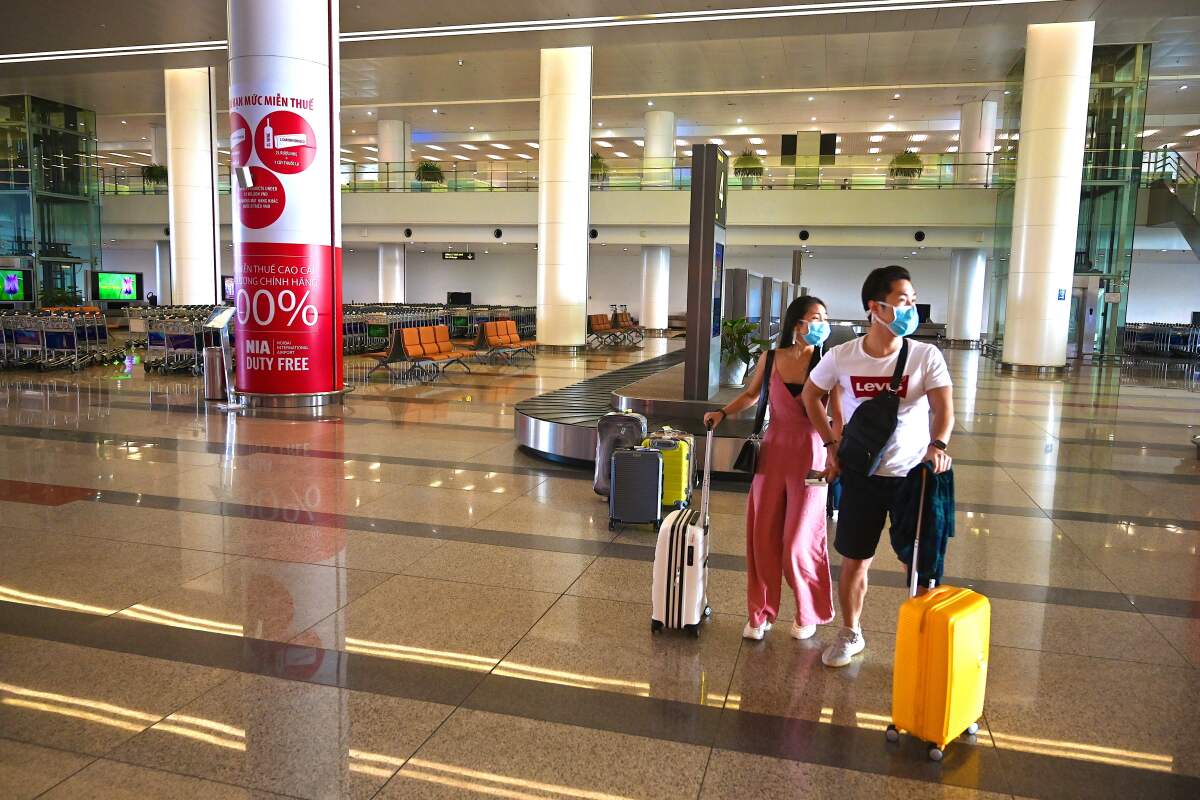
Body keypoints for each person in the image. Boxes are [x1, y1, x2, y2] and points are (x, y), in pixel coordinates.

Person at [801, 265, 954, 668]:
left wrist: (937, 445)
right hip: (862, 476)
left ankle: (923, 636)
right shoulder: (843, 356)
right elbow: (811, 395)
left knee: (919, 562)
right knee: (855, 559)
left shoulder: (925, 356)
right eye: (904, 301)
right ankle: (851, 632)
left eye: (913, 300)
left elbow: (943, 410)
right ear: (876, 307)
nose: (911, 308)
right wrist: (831, 444)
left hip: (913, 477)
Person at [704, 296, 837, 641]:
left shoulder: (828, 364)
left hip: (812, 456)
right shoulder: (772, 358)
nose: (822, 323)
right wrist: (723, 413)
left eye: (825, 317)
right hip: (773, 454)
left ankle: (807, 611)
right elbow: (751, 394)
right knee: (762, 535)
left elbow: (839, 414)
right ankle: (760, 613)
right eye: (815, 317)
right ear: (797, 324)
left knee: (798, 542)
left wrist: (839, 452)